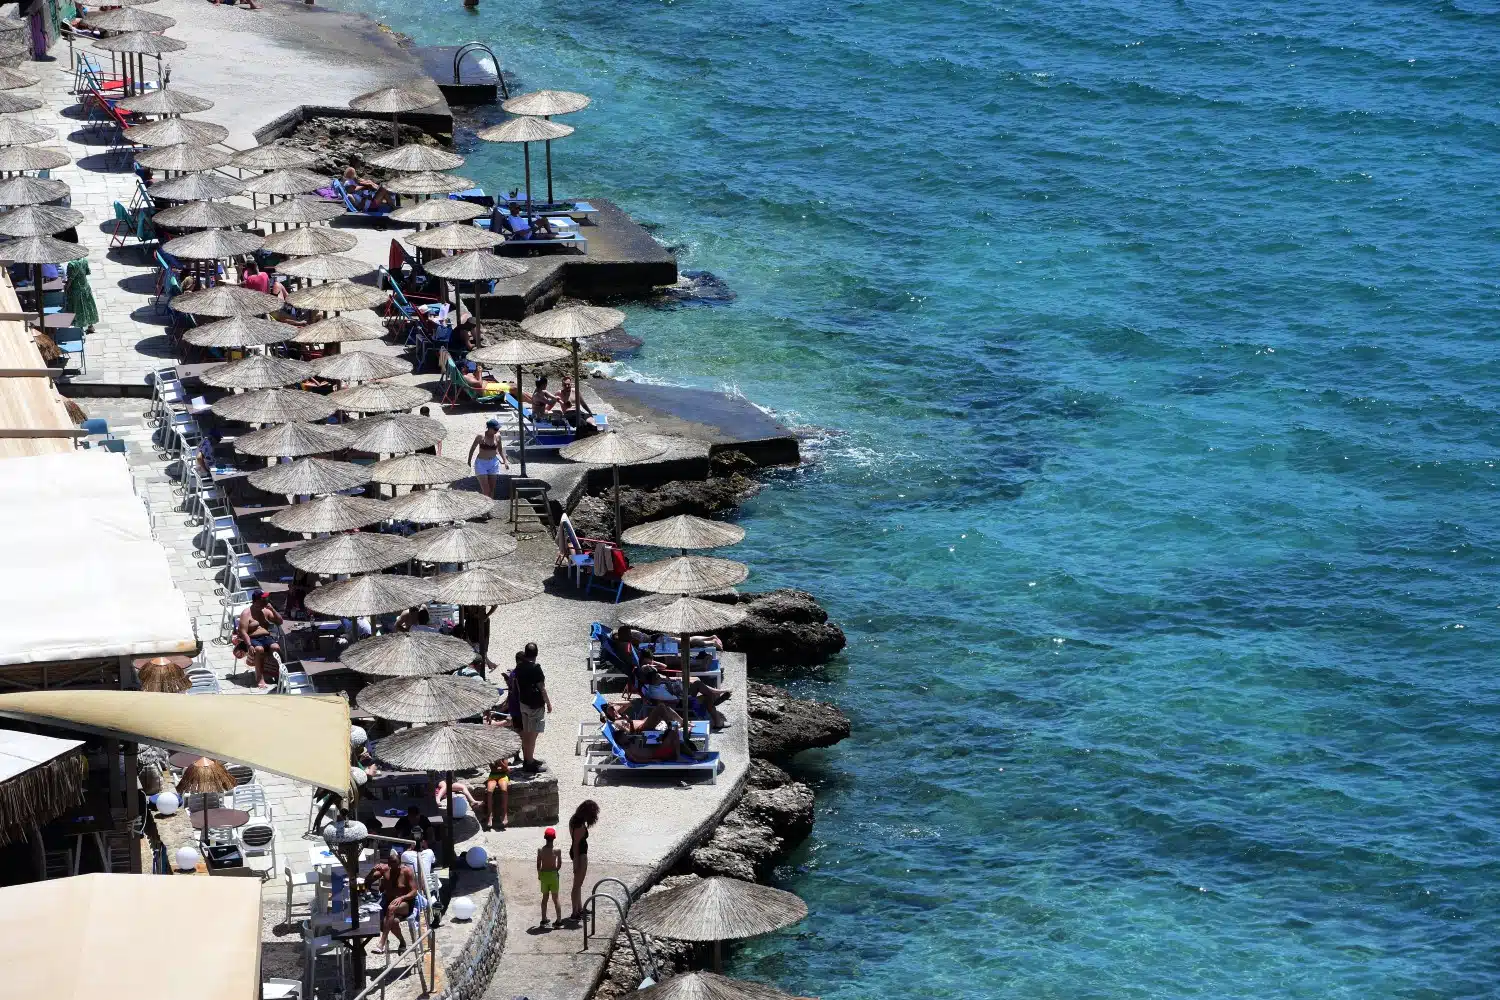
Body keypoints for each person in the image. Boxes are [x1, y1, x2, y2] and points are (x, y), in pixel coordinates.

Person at [365, 847, 419, 954]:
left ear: (400, 863)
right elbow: (367, 881)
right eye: (392, 864)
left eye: (397, 864)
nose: (396, 867)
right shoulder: (385, 870)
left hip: (405, 904)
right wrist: (373, 871)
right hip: (389, 904)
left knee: (391, 908)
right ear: (389, 864)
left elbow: (414, 891)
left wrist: (402, 897)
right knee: (393, 922)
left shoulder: (407, 871)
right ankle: (402, 942)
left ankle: (381, 943)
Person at [514, 642, 551, 773]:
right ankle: (529, 763)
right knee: (532, 735)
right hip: (535, 706)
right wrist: (548, 703)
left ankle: (528, 759)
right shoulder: (536, 668)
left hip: (523, 704)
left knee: (526, 734)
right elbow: (542, 688)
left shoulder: (519, 667)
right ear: (536, 654)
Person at [236, 590, 282, 688]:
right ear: (256, 601)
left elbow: (280, 621)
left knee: (276, 647)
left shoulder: (265, 610)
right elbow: (243, 632)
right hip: (252, 638)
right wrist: (249, 645)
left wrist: (273, 609)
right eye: (264, 599)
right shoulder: (246, 613)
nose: (266, 601)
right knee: (259, 649)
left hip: (266, 637)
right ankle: (259, 677)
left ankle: (276, 673)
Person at [565, 800, 599, 922]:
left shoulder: (574, 819)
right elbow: (576, 845)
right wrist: (576, 864)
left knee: (578, 884)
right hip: (580, 856)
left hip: (578, 855)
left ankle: (579, 909)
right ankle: (575, 913)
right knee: (576, 885)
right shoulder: (579, 826)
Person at [468, 418, 509, 498]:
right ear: (489, 428)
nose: (497, 430)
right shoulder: (480, 436)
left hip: (493, 463)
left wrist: (505, 461)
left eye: (498, 429)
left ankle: (490, 504)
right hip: (481, 464)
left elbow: (500, 450)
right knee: (486, 490)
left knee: (492, 489)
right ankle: (485, 504)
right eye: (495, 429)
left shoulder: (498, 436)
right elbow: (472, 449)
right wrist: (469, 461)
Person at [537, 827, 564, 928]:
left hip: (544, 875)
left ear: (545, 837)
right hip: (553, 875)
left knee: (545, 898)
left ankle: (543, 920)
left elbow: (538, 865)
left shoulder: (540, 850)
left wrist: (539, 874)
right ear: (554, 838)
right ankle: (559, 921)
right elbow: (559, 864)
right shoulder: (557, 851)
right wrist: (556, 870)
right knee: (555, 898)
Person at [485, 758, 509, 831]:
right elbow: (493, 770)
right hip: (493, 776)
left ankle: (504, 814)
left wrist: (500, 763)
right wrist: (499, 767)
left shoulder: (504, 757)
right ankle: (490, 815)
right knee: (489, 791)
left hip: (503, 776)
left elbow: (506, 769)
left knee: (504, 790)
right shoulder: (491, 757)